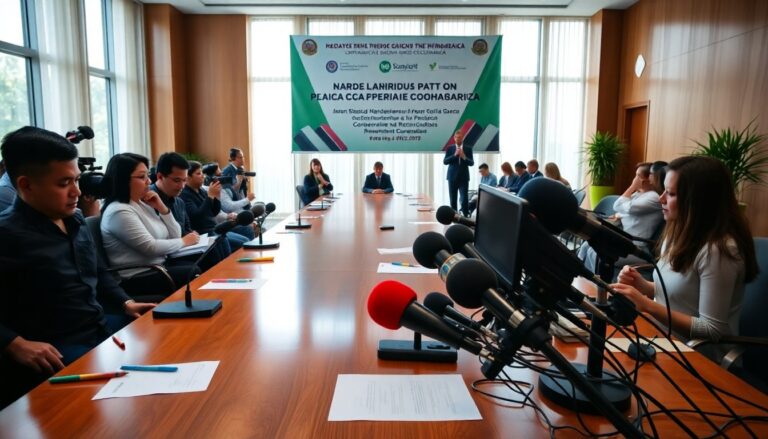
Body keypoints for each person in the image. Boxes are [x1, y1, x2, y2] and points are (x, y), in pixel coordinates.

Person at [0, 127, 154, 409]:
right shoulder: (6, 235)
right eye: (64, 183)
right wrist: (15, 343)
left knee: (162, 340)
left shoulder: (76, 219)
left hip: (99, 326)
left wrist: (125, 302)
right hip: (57, 347)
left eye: (77, 180)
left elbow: (98, 272)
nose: (77, 192)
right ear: (26, 185)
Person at [611, 156, 758, 355]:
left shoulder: (719, 251)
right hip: (662, 340)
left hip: (698, 356)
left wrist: (647, 305)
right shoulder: (678, 234)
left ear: (698, 202)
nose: (661, 199)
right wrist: (644, 286)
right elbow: (684, 293)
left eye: (671, 193)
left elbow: (712, 330)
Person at [100, 153, 200, 298]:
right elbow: (150, 247)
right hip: (136, 277)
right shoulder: (118, 211)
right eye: (142, 177)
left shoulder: (141, 203)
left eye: (147, 175)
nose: (149, 181)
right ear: (123, 179)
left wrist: (163, 209)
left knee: (199, 264)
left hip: (157, 267)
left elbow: (175, 235)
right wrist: (184, 241)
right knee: (192, 271)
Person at [579, 162, 663, 273]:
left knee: (594, 252)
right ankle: (578, 271)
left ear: (647, 180)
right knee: (587, 244)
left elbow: (618, 206)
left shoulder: (653, 197)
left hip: (637, 246)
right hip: (625, 239)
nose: (635, 179)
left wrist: (632, 187)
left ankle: (591, 279)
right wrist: (619, 215)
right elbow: (626, 210)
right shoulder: (639, 194)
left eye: (638, 176)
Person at [151, 153, 231, 270]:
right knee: (212, 252)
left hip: (184, 245)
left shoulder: (179, 201)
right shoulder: (150, 199)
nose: (182, 186)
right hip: (165, 253)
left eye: (184, 181)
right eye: (177, 180)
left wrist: (192, 234)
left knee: (219, 242)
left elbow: (187, 227)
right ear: (160, 176)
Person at [182, 161, 254, 251]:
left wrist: (217, 197)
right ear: (188, 177)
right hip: (203, 233)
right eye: (198, 173)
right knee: (243, 242)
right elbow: (198, 217)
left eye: (202, 173)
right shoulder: (185, 194)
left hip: (214, 228)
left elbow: (214, 212)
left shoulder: (201, 191)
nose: (203, 176)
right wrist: (210, 196)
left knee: (246, 234)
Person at [443, 129, 474, 216]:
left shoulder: (468, 149)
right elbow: (445, 161)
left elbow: (471, 163)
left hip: (464, 178)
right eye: (456, 137)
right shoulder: (450, 148)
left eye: (459, 137)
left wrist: (464, 157)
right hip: (452, 177)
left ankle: (465, 217)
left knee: (464, 199)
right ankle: (454, 217)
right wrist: (454, 155)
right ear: (454, 138)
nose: (458, 139)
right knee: (453, 199)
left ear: (463, 138)